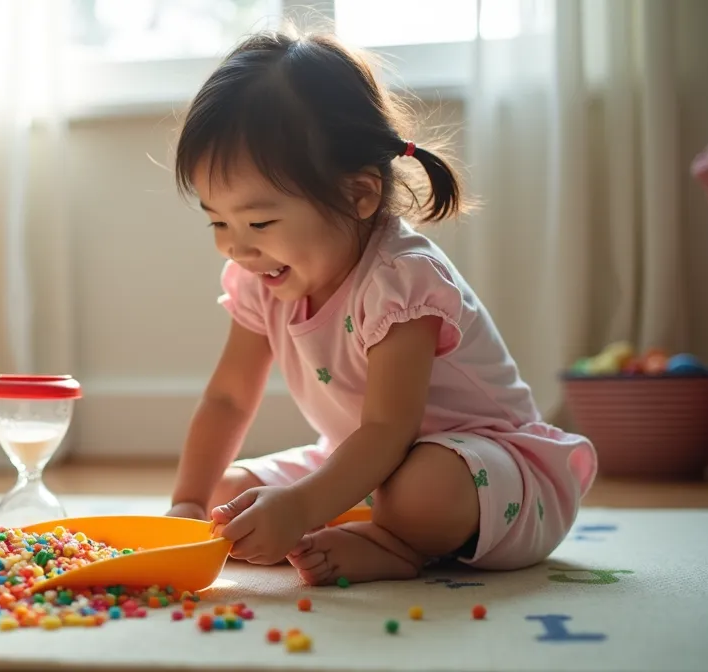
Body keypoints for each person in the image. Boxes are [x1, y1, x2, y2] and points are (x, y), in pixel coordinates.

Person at [163, 28, 598, 587]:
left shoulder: (401, 280)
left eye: (259, 223)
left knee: (424, 489)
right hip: (368, 465)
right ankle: (364, 522)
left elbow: (391, 429)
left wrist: (298, 508)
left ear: (357, 195)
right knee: (229, 497)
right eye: (217, 222)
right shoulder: (261, 280)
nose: (235, 248)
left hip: (490, 476)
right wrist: (188, 504)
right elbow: (226, 397)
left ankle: (395, 545)